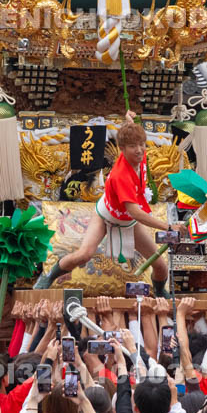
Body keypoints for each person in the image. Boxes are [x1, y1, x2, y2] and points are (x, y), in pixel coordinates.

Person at [34, 111, 182, 297]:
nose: (139, 149)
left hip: (126, 220)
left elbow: (130, 137)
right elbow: (135, 212)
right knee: (84, 255)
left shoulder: (140, 157)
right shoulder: (122, 176)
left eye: (142, 144)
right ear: (121, 148)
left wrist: (129, 121)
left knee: (160, 264)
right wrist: (167, 226)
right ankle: (48, 275)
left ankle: (160, 291)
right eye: (132, 146)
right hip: (106, 216)